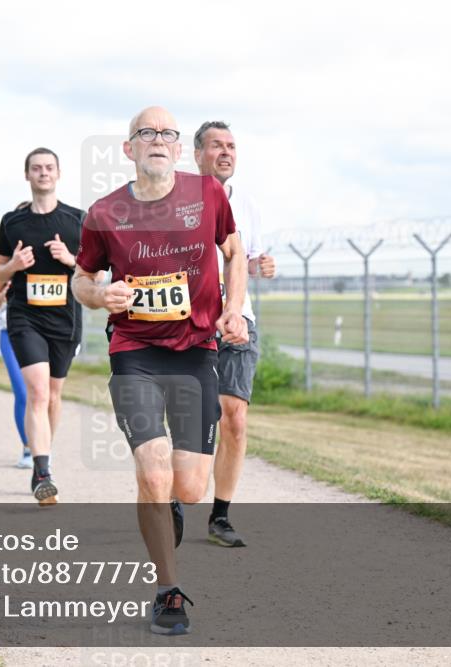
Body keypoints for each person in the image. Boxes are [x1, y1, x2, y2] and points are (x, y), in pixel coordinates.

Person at [72, 106, 248, 636]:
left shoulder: (208, 195)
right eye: (145, 133)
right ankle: (167, 590)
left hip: (196, 351)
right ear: (128, 149)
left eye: (167, 134)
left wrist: (233, 308)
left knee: (189, 488)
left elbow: (234, 250)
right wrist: (100, 294)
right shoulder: (105, 212)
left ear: (177, 149)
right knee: (151, 468)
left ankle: (171, 499)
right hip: (135, 352)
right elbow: (80, 279)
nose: (157, 140)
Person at [193, 121, 276, 548]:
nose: (226, 152)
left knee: (235, 417)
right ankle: (177, 493)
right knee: (196, 417)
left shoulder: (247, 205)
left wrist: (264, 266)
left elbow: (250, 260)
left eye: (231, 146)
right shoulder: (178, 201)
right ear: (197, 154)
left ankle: (220, 516)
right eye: (216, 146)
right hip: (188, 322)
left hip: (238, 319)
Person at [0, 149, 84, 505]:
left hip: (65, 319)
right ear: (27, 175)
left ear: (58, 174)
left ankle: (40, 457)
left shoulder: (78, 220)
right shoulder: (11, 222)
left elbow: (97, 274)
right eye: (36, 168)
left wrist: (71, 260)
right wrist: (14, 265)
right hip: (25, 317)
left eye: (48, 168)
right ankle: (43, 470)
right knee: (38, 393)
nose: (43, 173)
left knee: (54, 396)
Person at [0, 275, 31, 470]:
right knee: (22, 392)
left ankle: (43, 445)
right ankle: (29, 447)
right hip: (9, 332)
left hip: (43, 331)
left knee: (43, 395)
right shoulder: (7, 264)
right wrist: (3, 294)